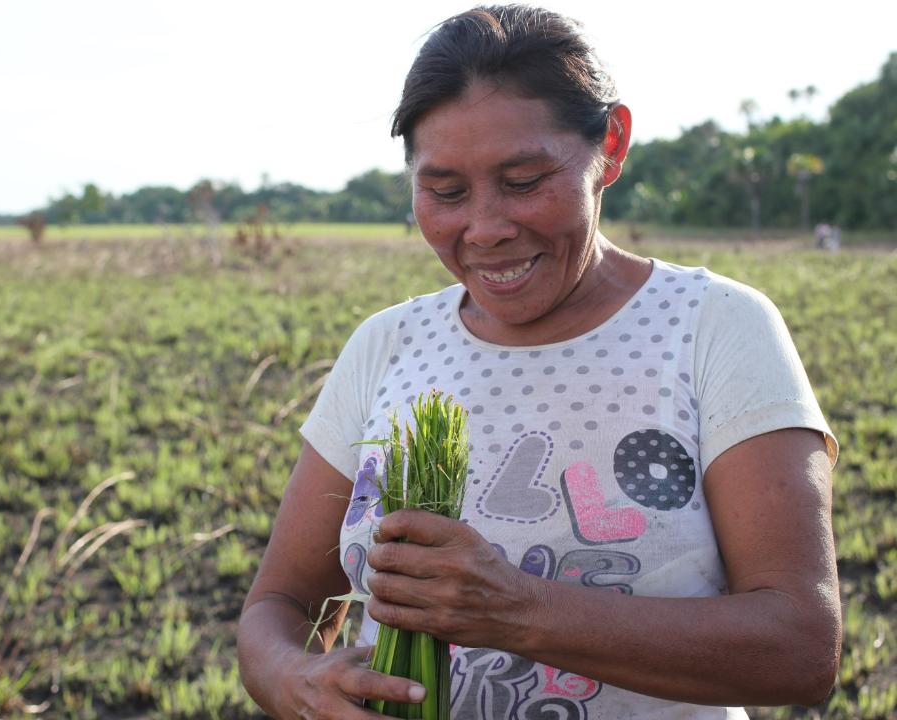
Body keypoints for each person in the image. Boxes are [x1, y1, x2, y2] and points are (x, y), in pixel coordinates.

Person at [238, 6, 841, 718]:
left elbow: (800, 648)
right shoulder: (388, 345)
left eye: (524, 180)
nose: (487, 228)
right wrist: (293, 680)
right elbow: (273, 605)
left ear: (610, 146)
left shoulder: (713, 327)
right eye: (446, 192)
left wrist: (518, 610)